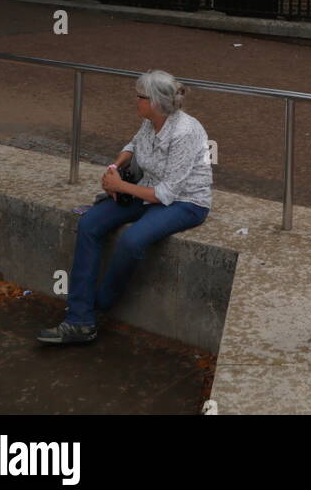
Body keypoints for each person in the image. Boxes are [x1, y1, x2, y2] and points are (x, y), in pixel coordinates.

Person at [37, 70, 212, 345]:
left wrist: (120, 187)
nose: (135, 101)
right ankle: (80, 321)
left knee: (132, 241)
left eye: (139, 97)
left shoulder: (186, 132)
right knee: (90, 223)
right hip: (146, 190)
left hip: (185, 202)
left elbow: (166, 193)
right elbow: (133, 145)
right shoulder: (150, 121)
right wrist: (113, 170)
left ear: (155, 102)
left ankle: (98, 304)